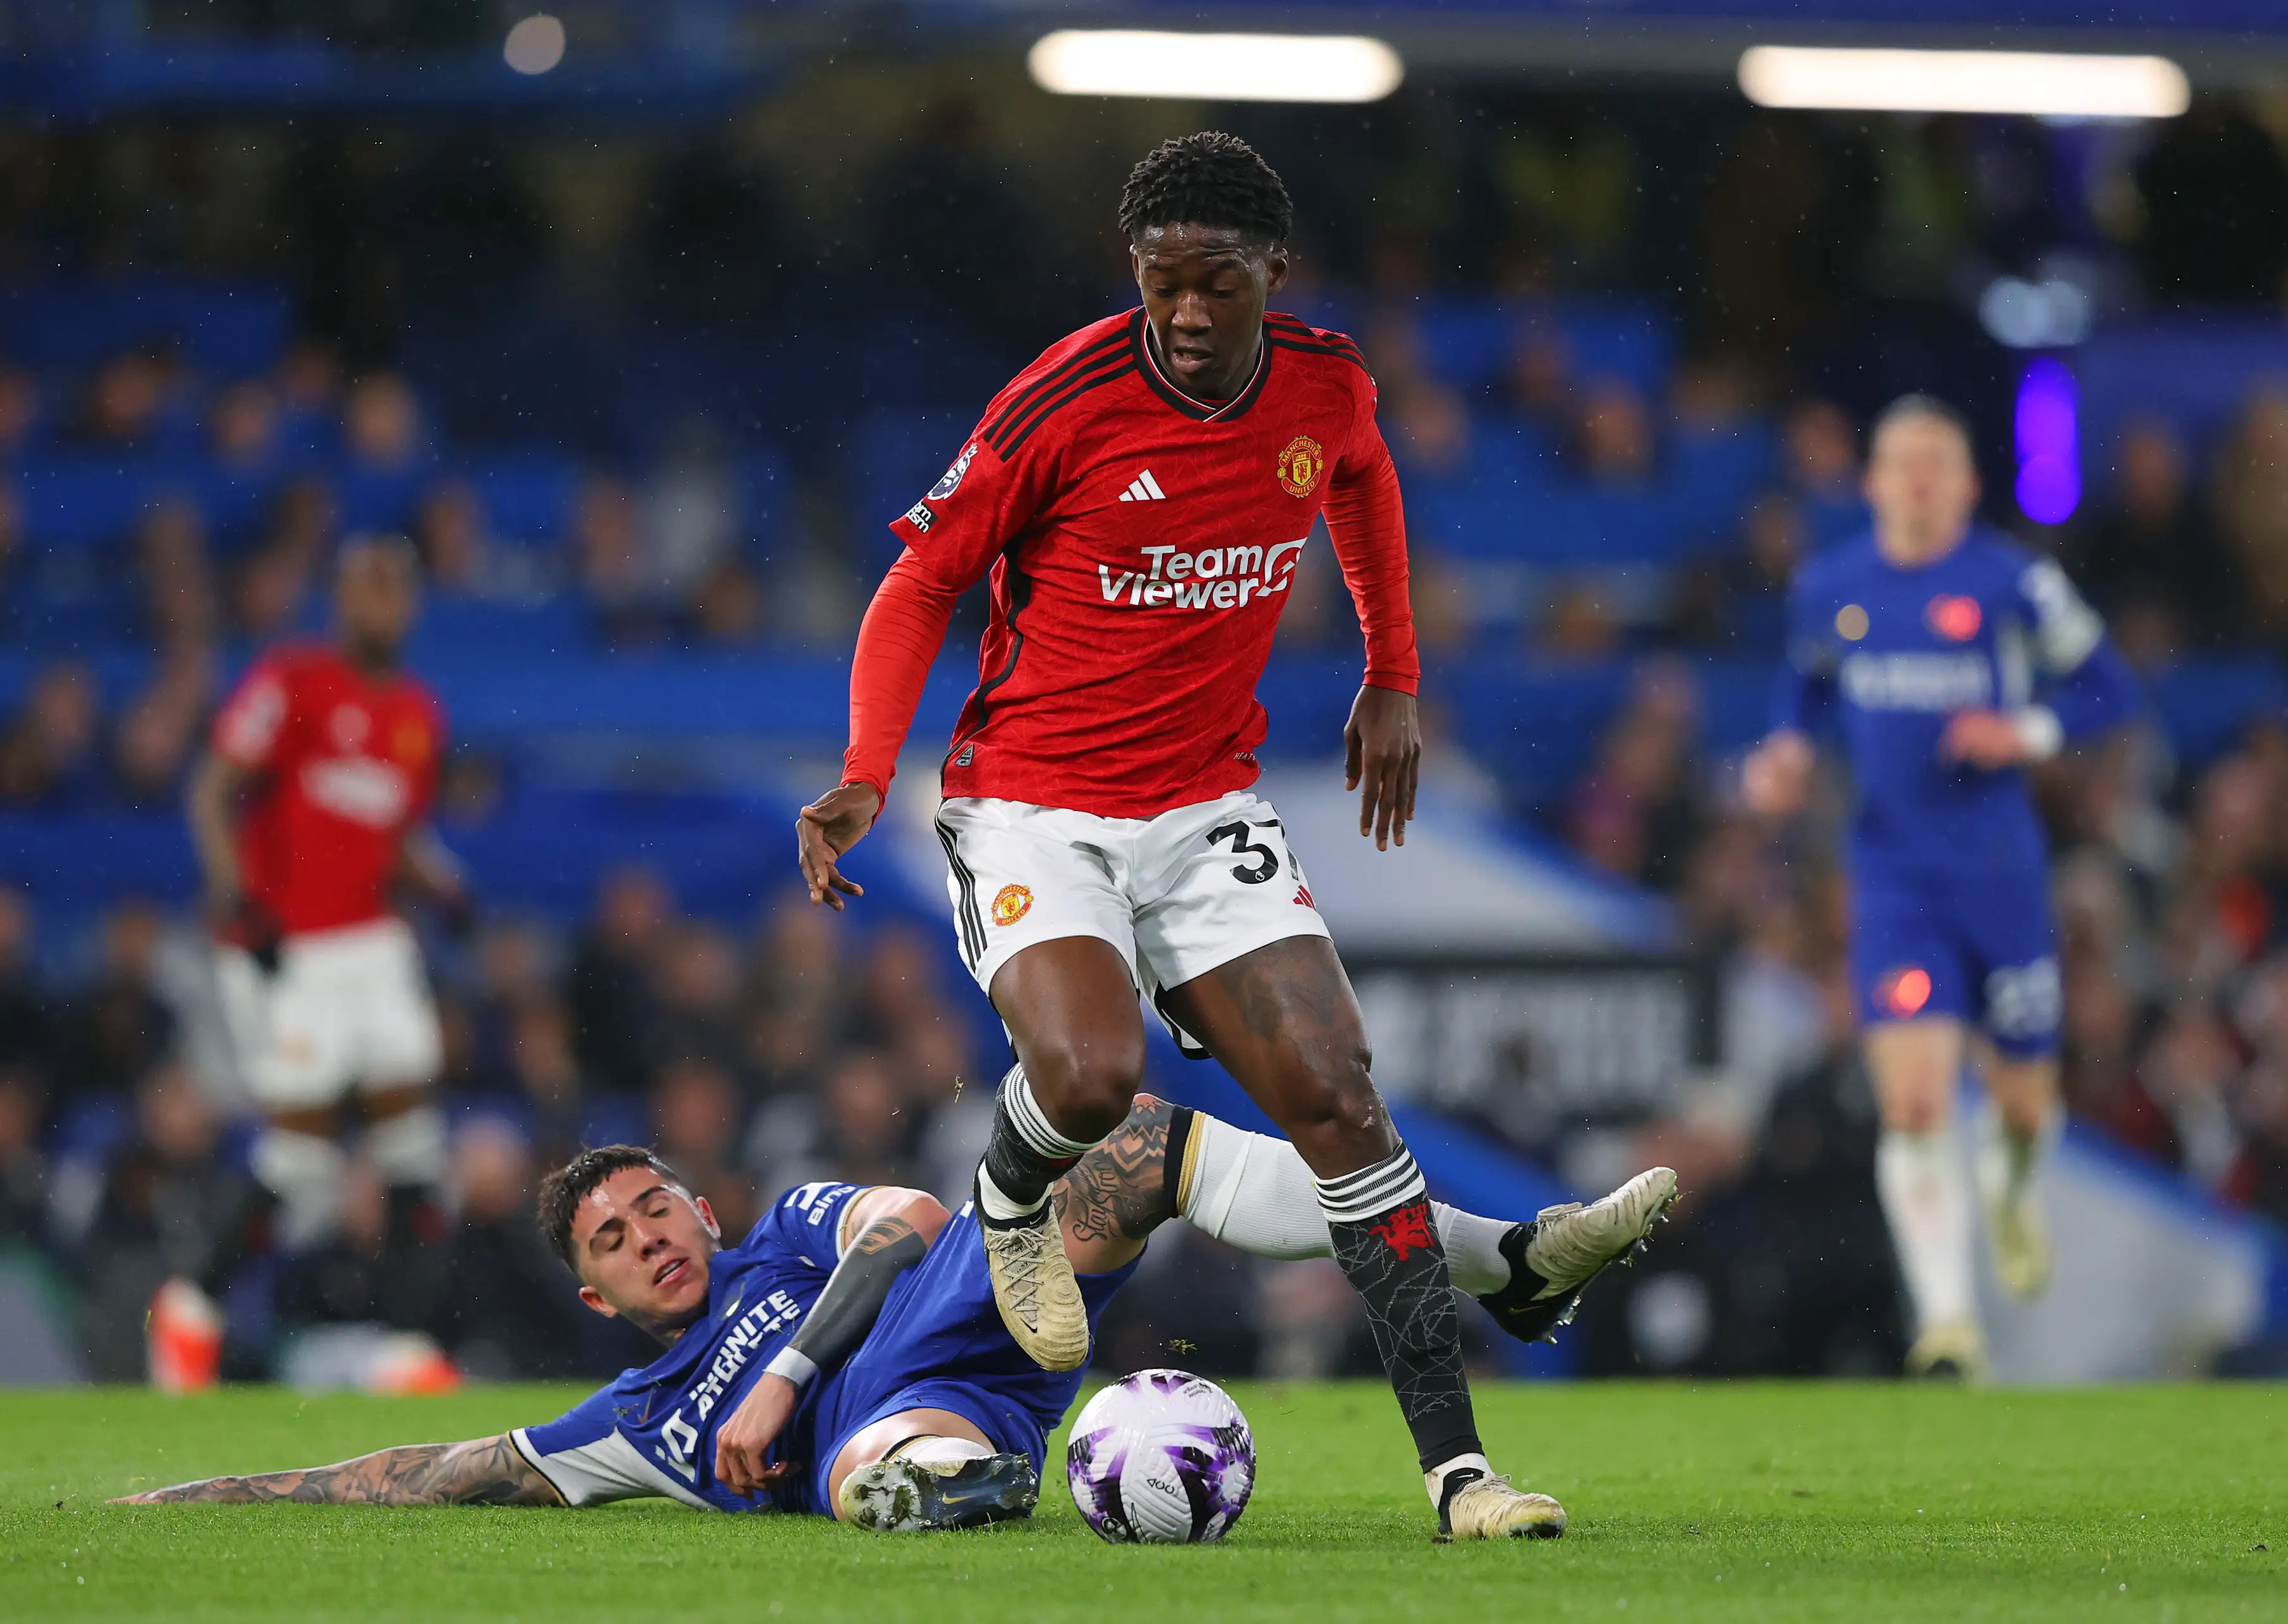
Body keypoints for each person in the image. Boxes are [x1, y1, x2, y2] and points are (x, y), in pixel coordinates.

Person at [792, 131, 1563, 1541]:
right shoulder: (1063, 400)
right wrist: (862, 767)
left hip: (1205, 806)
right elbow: (919, 584)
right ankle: (1016, 1190)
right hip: (1034, 802)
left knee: (1337, 1095)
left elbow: (1365, 478)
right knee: (1091, 1079)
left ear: (1273, 269)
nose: (1189, 310)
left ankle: (1461, 1477)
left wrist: (1392, 672)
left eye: (1217, 280)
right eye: (1162, 282)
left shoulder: (1325, 381)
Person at [114, 1100, 1677, 1532]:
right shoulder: (630, 1432)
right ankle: (963, 1484)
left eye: (660, 1203)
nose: (653, 1231)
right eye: (616, 1234)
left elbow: (920, 1221)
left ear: (701, 1210)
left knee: (1134, 1138)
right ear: (591, 1294)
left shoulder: (784, 1229)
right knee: (888, 1463)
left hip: (975, 1295)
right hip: (903, 1417)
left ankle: (1513, 1257)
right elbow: (439, 1471)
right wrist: (217, 1492)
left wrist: (782, 1372)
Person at [1741, 396, 2142, 1380]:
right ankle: (1949, 1319)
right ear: (1872, 481)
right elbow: (1804, 689)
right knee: (1915, 1105)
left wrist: (2028, 732)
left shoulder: (2015, 583)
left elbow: (2110, 688)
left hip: (2001, 875)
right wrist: (1786, 752)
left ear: (1967, 484)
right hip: (1892, 879)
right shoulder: (1832, 588)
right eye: (1900, 461)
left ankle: (2015, 1187)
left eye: (1938, 462)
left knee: (2019, 1104)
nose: (1918, 479)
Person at [172, 538, 465, 1378]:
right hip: (294, 945)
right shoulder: (290, 680)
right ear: (340, 598)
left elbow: (393, 834)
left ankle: (407, 1351)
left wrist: (448, 888)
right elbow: (211, 792)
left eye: (396, 589)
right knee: (303, 1160)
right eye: (367, 588)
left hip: (375, 943)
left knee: (413, 1144)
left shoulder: (418, 713)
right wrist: (239, 899)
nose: (383, 604)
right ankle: (193, 1307)